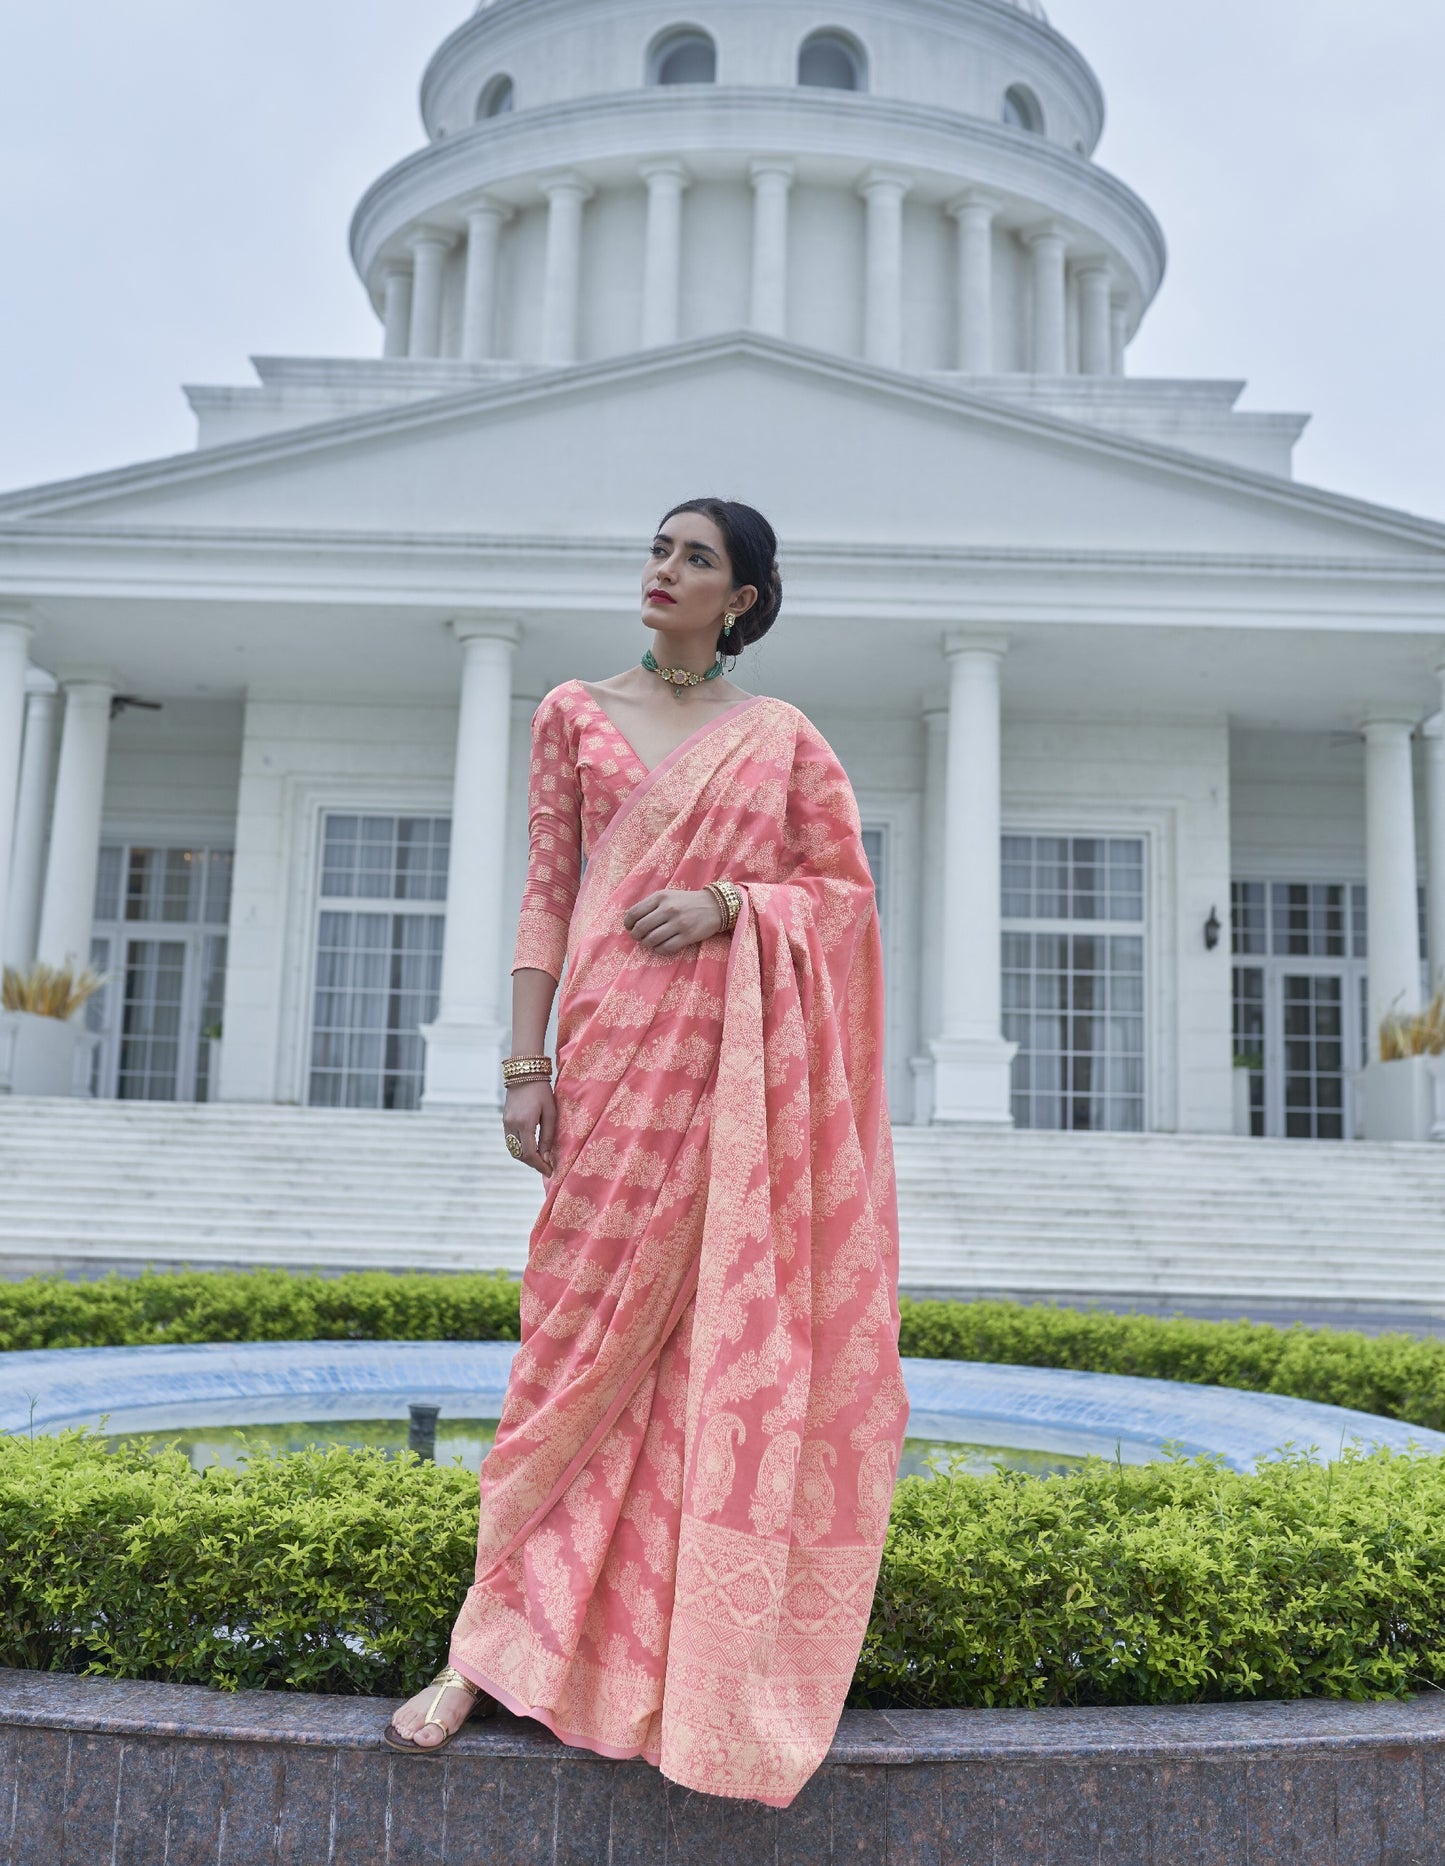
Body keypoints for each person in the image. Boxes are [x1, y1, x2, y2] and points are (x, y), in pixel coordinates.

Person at [384, 497, 906, 1807]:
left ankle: (663, 1660)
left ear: (741, 595)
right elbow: (546, 889)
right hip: (612, 1061)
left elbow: (842, 898)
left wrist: (734, 902)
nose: (661, 572)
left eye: (693, 558)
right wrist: (521, 1063)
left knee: (697, 1365)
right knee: (565, 1353)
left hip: (728, 1087)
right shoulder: (571, 710)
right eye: (657, 550)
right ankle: (482, 1647)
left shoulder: (780, 740)